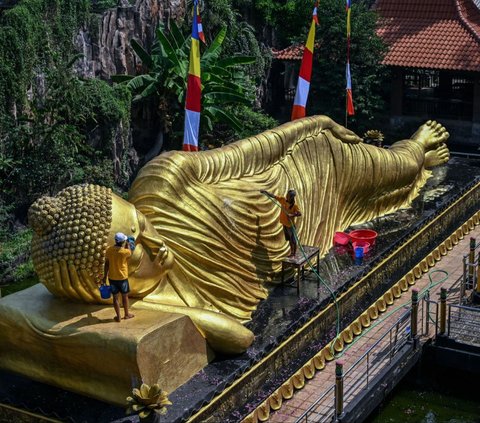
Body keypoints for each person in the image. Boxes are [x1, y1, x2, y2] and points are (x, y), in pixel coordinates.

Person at [27, 116, 450, 353]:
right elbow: (239, 338)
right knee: (382, 188)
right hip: (296, 234)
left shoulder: (158, 180)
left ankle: (414, 148)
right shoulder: (167, 298)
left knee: (392, 169)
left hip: (295, 175)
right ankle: (414, 155)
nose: (154, 246)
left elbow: (247, 153)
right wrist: (165, 307)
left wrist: (315, 125)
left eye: (139, 226)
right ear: (102, 286)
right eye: (134, 256)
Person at [103, 232, 135, 322]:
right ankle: (127, 314)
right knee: (125, 296)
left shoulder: (109, 250)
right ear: (123, 242)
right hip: (122, 278)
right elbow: (130, 251)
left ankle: (118, 317)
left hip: (112, 278)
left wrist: (104, 277)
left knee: (115, 298)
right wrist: (128, 244)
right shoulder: (125, 252)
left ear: (115, 240)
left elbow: (107, 264)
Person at [260, 189, 302, 257]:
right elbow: (274, 196)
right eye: (287, 195)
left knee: (293, 240)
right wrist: (266, 192)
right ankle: (292, 253)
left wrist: (292, 215)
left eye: (288, 196)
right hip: (285, 224)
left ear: (291, 197)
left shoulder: (294, 206)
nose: (286, 196)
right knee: (289, 240)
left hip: (290, 226)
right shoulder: (283, 200)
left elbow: (299, 214)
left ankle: (294, 254)